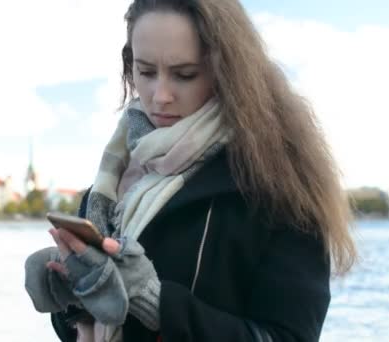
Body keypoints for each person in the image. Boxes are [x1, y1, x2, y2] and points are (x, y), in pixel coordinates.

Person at [24, 0, 357, 341]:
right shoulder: (114, 178)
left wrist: (157, 304)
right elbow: (92, 328)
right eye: (146, 71)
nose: (160, 96)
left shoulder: (279, 189)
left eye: (185, 74)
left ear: (228, 73)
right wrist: (69, 297)